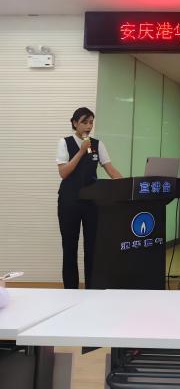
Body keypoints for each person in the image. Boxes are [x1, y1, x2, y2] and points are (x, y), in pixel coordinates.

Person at [56, 107, 122, 289]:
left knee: (93, 247)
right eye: (84, 122)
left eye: (91, 122)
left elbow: (111, 169)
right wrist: (80, 151)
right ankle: (71, 290)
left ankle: (92, 289)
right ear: (75, 123)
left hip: (92, 202)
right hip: (69, 201)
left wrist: (128, 185)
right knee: (69, 247)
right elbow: (63, 173)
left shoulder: (98, 144)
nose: (88, 126)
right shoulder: (64, 142)